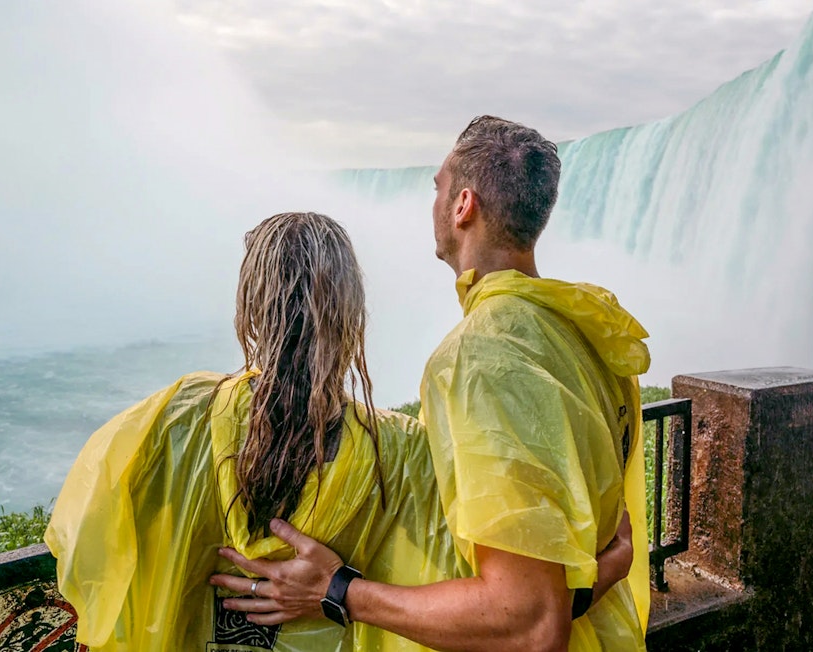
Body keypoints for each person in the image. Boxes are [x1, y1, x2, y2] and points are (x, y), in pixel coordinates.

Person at [44, 211, 634, 651]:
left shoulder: (171, 423)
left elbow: (94, 554)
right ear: (351, 315)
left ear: (250, 309)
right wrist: (598, 574)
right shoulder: (401, 453)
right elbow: (496, 605)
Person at [214, 117, 652, 651]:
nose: (433, 203)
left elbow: (530, 624)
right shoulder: (584, 333)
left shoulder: (480, 358)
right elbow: (595, 534)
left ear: (463, 205)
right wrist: (607, 568)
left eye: (438, 188)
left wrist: (336, 590)